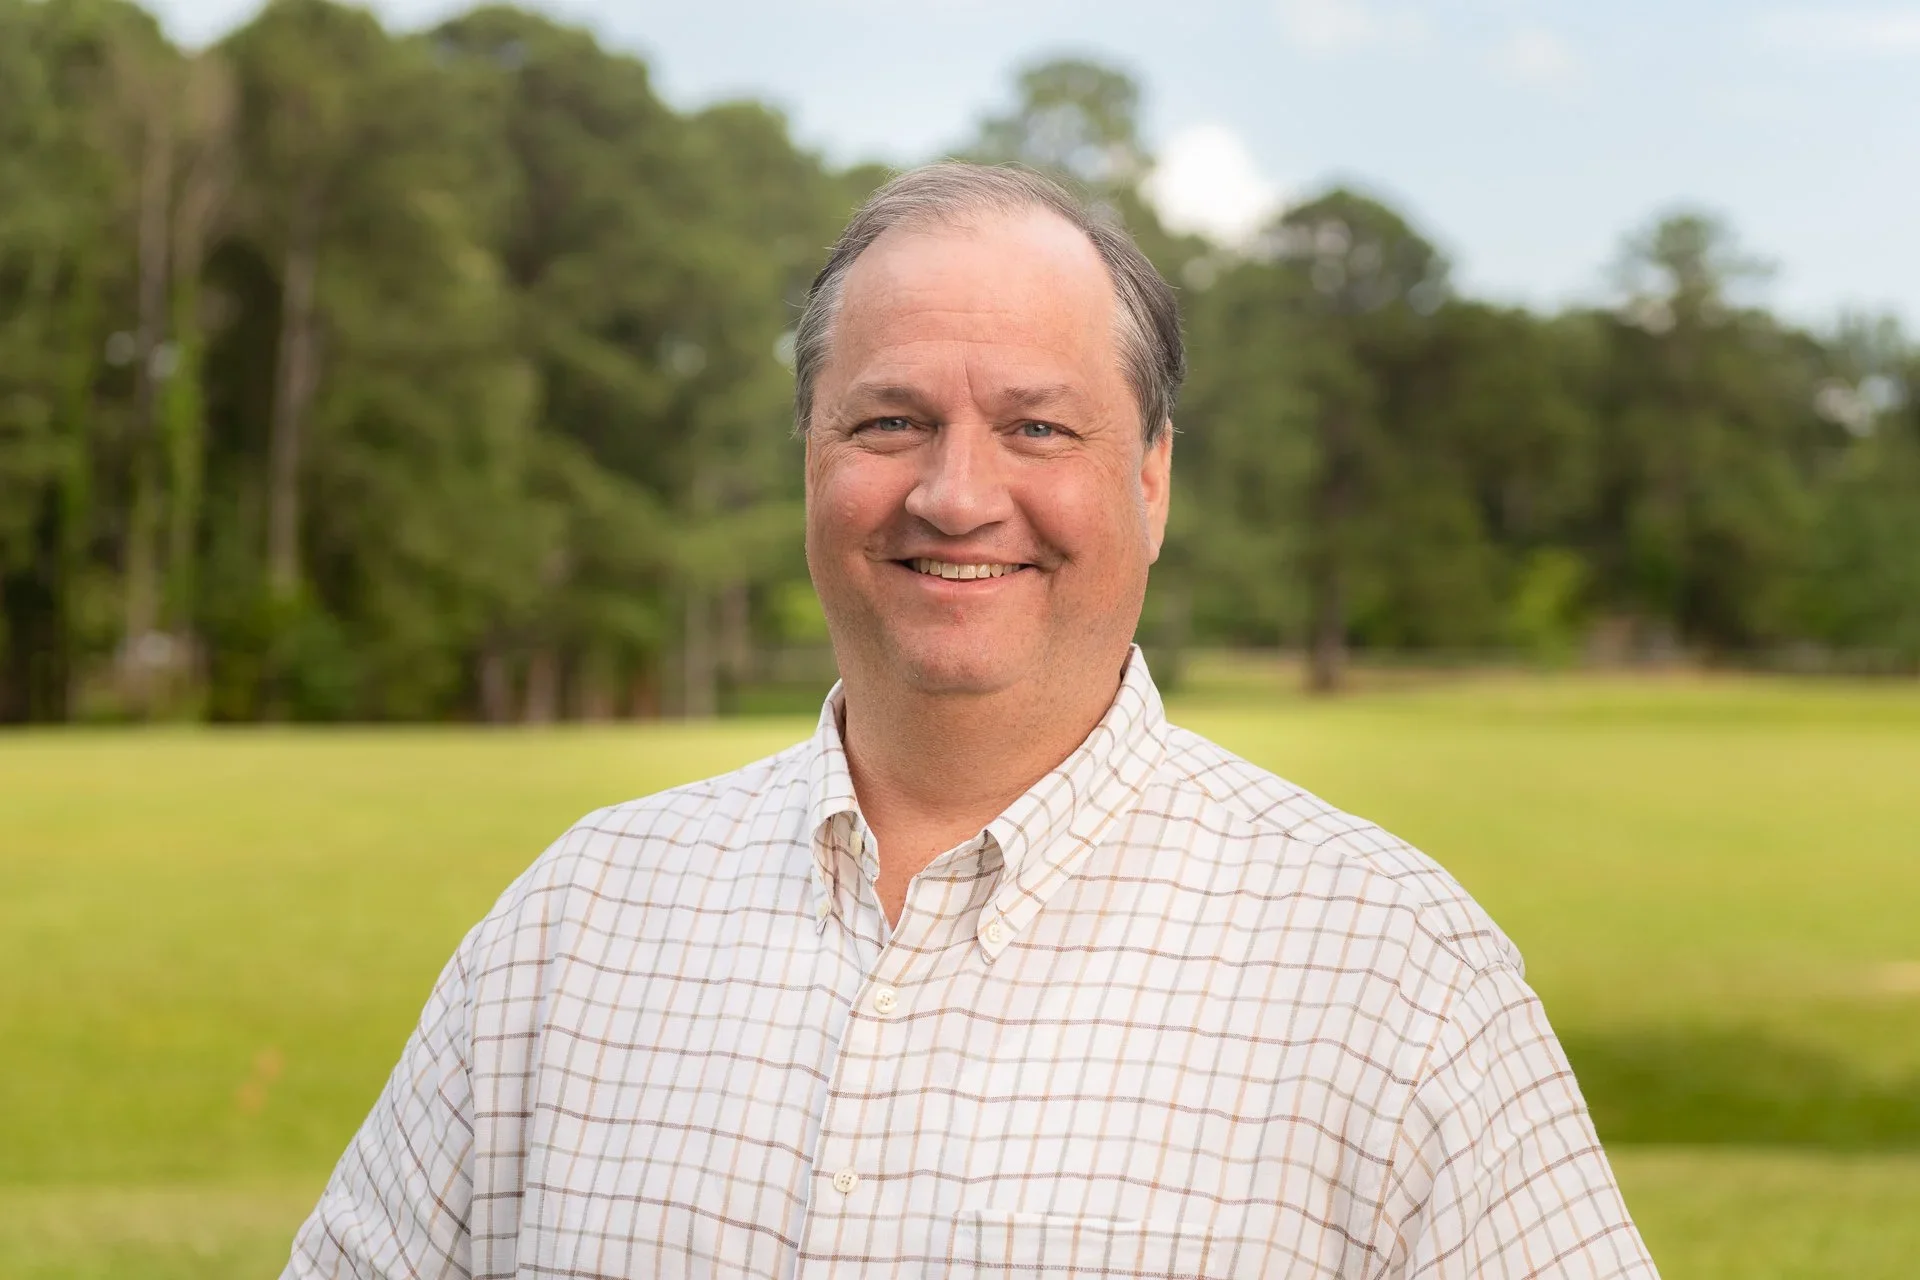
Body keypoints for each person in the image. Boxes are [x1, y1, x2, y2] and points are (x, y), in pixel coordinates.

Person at [285, 162, 1658, 1280]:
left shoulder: (1393, 973)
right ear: (810, 463)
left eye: (1038, 429)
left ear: (1152, 483)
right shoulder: (574, 923)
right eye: (889, 422)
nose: (953, 496)